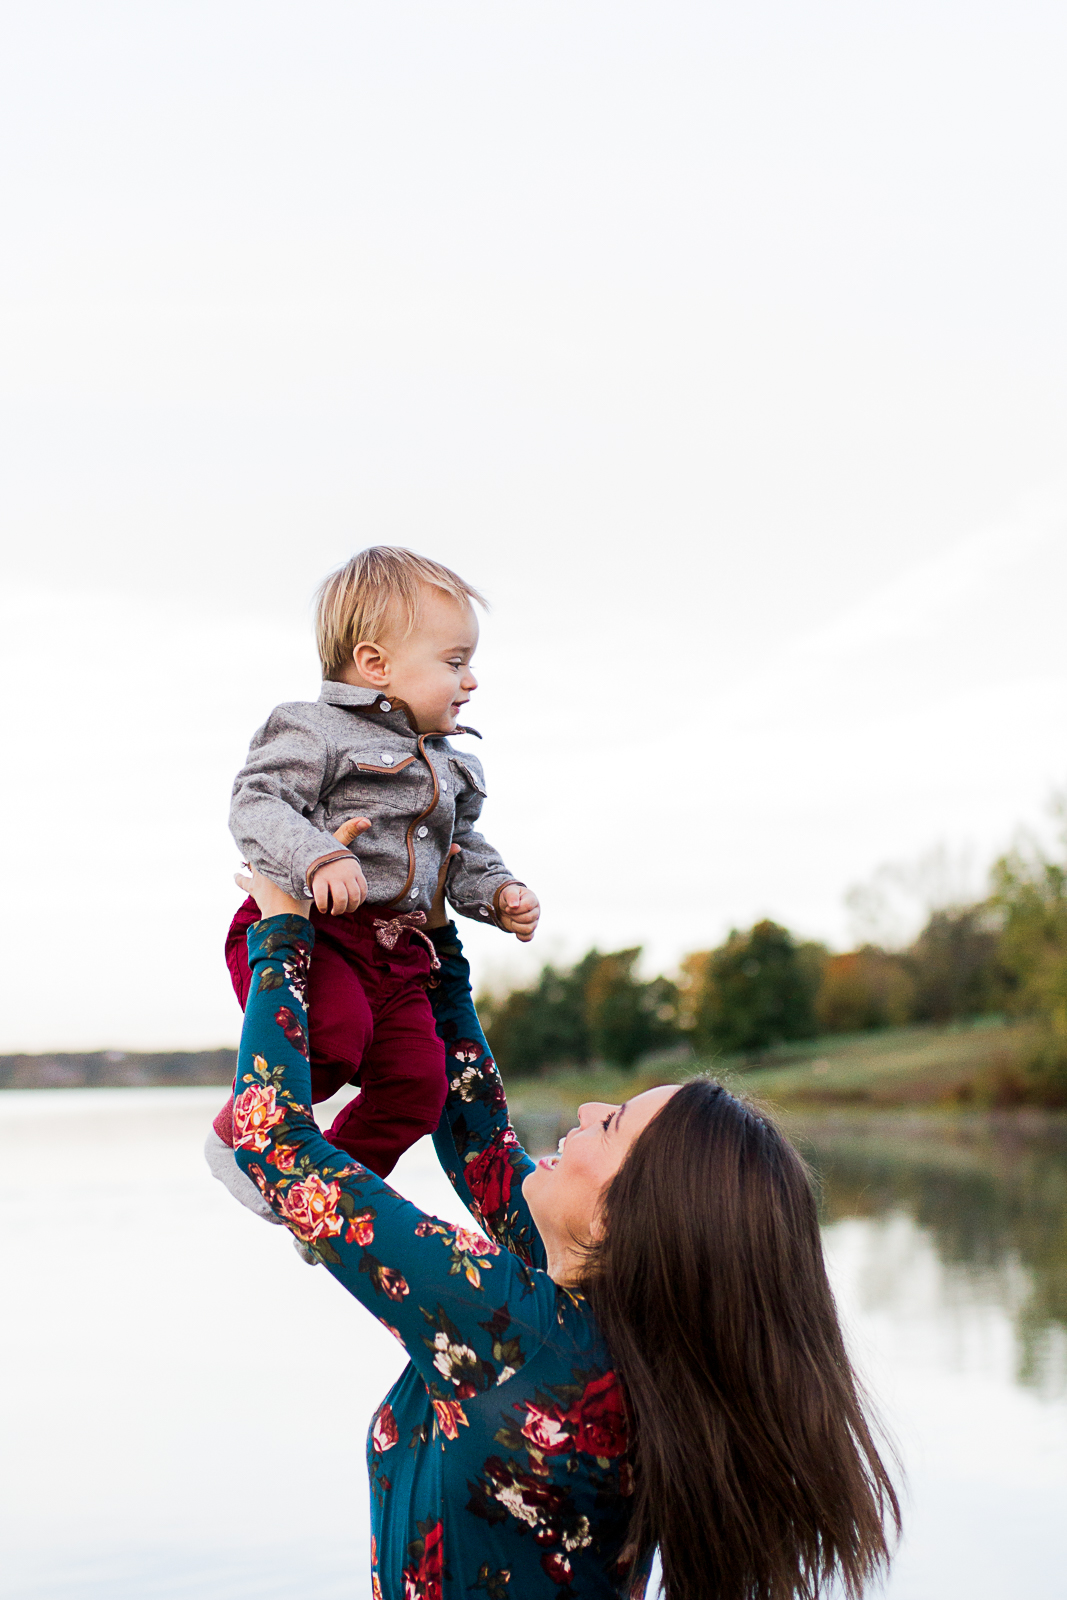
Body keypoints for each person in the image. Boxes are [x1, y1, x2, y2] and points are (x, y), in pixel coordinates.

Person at [224, 853, 900, 1600]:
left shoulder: (520, 1334)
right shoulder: (614, 1328)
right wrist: (436, 946)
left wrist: (281, 934)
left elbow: (274, 1142)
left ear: (622, 1218)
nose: (582, 1114)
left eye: (609, 1126)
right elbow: (479, 1139)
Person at [209, 546, 540, 1182]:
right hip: (317, 932)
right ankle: (236, 1141)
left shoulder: (449, 765)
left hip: (400, 954)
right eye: (454, 663)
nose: (470, 681)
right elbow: (256, 803)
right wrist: (321, 854)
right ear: (375, 663)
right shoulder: (314, 729)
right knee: (329, 1042)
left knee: (420, 1086)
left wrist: (498, 892)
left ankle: (324, 1198)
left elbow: (461, 849)